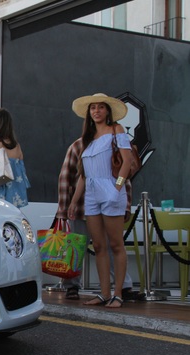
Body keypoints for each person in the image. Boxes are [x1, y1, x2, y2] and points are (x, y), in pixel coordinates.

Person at [67, 93, 133, 308]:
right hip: (92, 194)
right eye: (93, 108)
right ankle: (104, 293)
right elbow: (84, 175)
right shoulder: (87, 138)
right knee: (98, 245)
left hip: (111, 189)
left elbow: (127, 162)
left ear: (107, 111)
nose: (96, 111)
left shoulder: (117, 130)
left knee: (116, 244)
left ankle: (118, 293)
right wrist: (74, 201)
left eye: (101, 107)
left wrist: (117, 187)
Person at [55, 137, 138, 301]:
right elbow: (69, 176)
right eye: (93, 109)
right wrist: (65, 208)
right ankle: (73, 285)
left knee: (111, 245)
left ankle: (121, 288)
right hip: (82, 206)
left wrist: (123, 200)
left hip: (108, 205)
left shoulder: (117, 143)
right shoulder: (78, 145)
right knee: (78, 246)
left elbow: (124, 175)